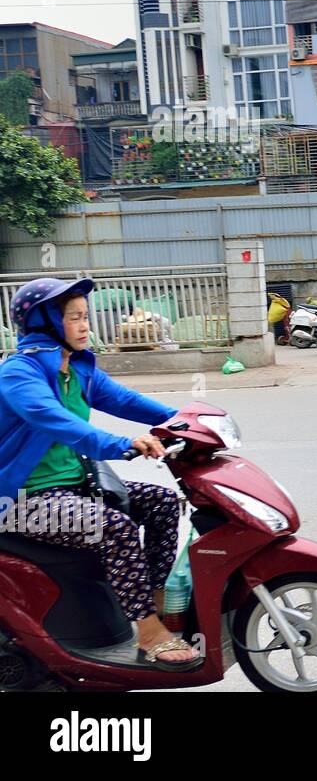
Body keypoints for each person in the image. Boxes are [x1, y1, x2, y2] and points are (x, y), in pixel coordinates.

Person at [0, 278, 200, 671]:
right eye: (74, 317)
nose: (84, 325)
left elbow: (124, 400)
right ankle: (149, 633)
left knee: (161, 503)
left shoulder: (77, 369)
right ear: (45, 323)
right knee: (116, 527)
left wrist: (183, 420)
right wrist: (120, 444)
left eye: (84, 317)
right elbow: (54, 419)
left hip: (72, 487)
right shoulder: (18, 374)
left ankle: (156, 605)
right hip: (21, 500)